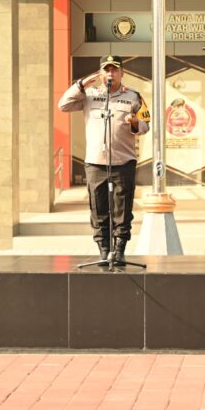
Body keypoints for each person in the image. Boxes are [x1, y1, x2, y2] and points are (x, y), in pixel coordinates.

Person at [58, 54, 150, 263]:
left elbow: (146, 125)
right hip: (95, 162)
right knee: (98, 207)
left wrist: (134, 122)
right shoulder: (89, 95)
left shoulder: (133, 97)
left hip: (123, 162)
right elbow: (63, 105)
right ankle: (103, 248)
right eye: (106, 70)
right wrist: (80, 85)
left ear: (122, 73)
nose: (111, 74)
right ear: (100, 74)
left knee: (122, 208)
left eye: (115, 70)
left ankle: (119, 249)